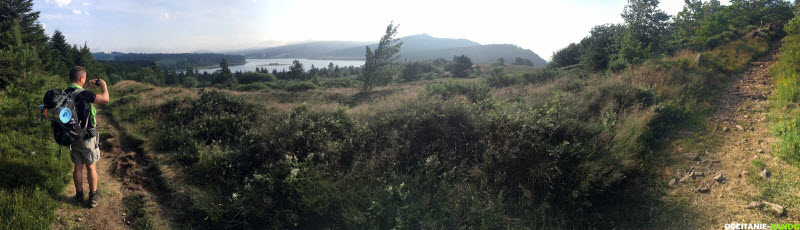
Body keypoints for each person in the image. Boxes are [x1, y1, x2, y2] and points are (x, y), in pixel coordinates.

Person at [66, 66, 110, 208]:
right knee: (91, 167)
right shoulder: (84, 95)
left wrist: (87, 86)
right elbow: (105, 99)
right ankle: (93, 196)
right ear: (81, 78)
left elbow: (78, 93)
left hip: (72, 136)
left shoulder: (65, 92)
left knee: (78, 167)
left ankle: (79, 196)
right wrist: (104, 87)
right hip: (86, 137)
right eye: (84, 78)